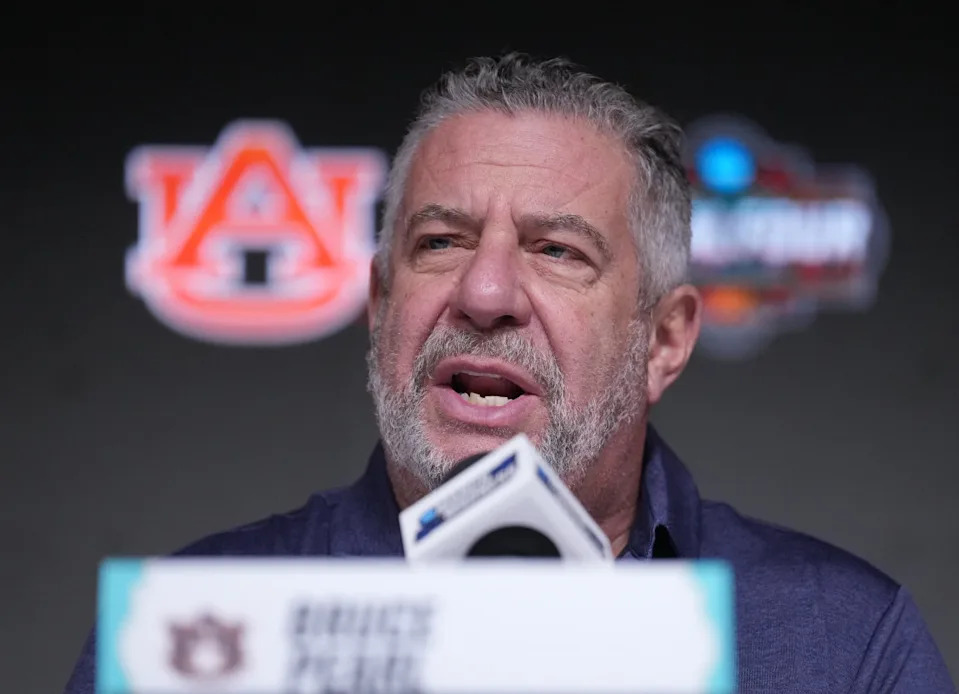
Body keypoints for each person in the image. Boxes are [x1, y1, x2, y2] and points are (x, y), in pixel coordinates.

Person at [64, 53, 954, 693]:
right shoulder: (189, 634)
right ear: (380, 305)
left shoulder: (842, 643)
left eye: (556, 250)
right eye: (440, 242)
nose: (484, 292)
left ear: (663, 341)